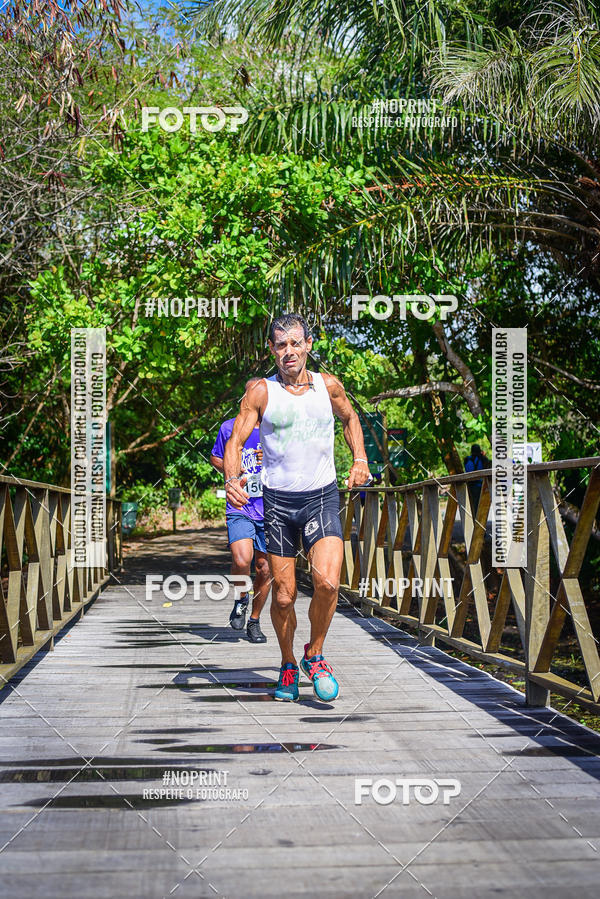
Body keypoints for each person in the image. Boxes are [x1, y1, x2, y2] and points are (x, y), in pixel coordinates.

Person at [223, 313, 371, 702]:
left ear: (308, 345)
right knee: (284, 596)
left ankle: (315, 654)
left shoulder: (328, 386)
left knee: (328, 583)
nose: (288, 351)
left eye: (295, 343)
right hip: (278, 504)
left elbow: (350, 419)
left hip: (321, 497)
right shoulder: (261, 392)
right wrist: (232, 479)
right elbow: (235, 442)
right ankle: (288, 663)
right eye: (280, 345)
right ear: (272, 350)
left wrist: (360, 459)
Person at [210, 381, 271, 643]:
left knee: (264, 568)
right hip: (240, 504)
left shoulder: (273, 428)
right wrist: (234, 470)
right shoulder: (229, 427)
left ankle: (254, 621)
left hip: (271, 507)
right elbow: (215, 457)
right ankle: (241, 599)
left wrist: (269, 462)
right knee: (242, 559)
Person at [464, 443, 491, 513]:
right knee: (481, 504)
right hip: (481, 485)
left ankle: (474, 517)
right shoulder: (483, 459)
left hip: (470, 485)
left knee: (473, 504)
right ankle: (479, 517)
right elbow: (488, 466)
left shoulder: (467, 459)